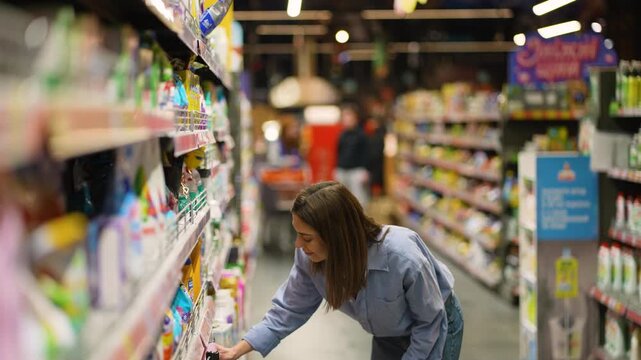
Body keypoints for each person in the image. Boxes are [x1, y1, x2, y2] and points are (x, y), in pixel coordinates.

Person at [217, 181, 464, 360]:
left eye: (306, 237)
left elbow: (430, 320)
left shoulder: (402, 256)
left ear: (336, 236)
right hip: (387, 332)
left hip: (435, 323)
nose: (298, 245)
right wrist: (237, 349)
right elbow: (289, 309)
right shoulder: (309, 257)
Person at [335, 105, 370, 206]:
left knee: (358, 199)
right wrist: (337, 168)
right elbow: (339, 152)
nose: (346, 120)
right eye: (344, 117)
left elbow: (366, 153)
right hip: (342, 170)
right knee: (343, 199)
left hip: (356, 171)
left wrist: (365, 170)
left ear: (355, 118)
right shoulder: (342, 135)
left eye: (349, 117)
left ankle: (360, 220)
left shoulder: (361, 135)